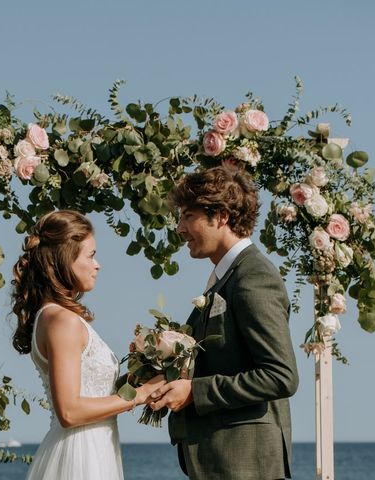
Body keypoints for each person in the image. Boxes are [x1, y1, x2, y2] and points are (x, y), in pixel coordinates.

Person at [149, 167, 299, 479]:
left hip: (244, 463)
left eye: (188, 216)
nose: (180, 228)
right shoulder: (226, 276)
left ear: (221, 216)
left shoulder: (253, 276)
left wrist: (195, 392)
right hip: (223, 462)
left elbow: (280, 376)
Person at [12, 210, 164, 480]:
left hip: (96, 448)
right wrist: (137, 396)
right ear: (64, 259)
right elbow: (69, 411)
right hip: (79, 456)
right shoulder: (61, 321)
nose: (98, 265)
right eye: (90, 255)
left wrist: (140, 372)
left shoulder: (55, 316)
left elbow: (89, 391)